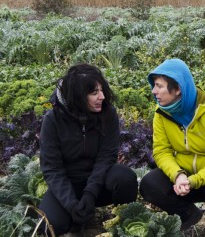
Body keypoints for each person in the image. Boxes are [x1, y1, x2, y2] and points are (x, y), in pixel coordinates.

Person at [139, 58, 205, 235]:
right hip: (184, 178)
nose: (154, 91)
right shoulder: (161, 114)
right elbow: (161, 151)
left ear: (178, 89)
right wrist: (178, 176)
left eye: (159, 86)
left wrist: (195, 180)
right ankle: (188, 214)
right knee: (149, 184)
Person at [39, 63, 138, 236]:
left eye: (101, 90)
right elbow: (52, 168)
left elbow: (107, 156)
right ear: (77, 97)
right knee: (51, 224)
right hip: (69, 185)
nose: (102, 97)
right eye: (94, 93)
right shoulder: (53, 120)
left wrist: (90, 194)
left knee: (125, 178)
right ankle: (79, 215)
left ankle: (119, 220)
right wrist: (71, 204)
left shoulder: (108, 114)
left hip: (98, 183)